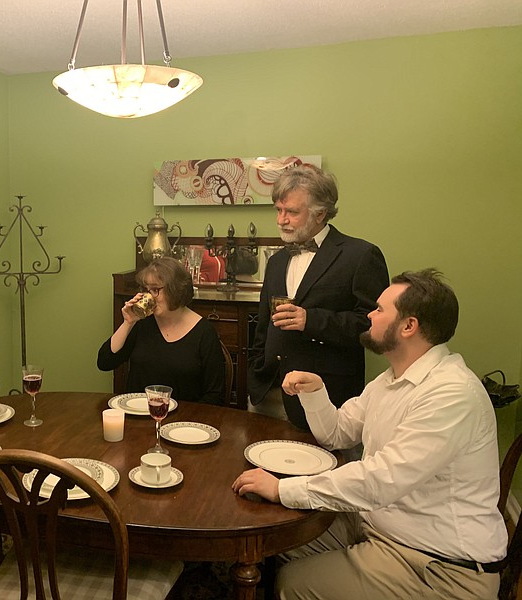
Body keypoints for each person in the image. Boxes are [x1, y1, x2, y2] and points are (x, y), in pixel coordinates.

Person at [233, 269, 507, 600]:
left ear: (409, 326)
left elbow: (381, 479)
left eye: (379, 310)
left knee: (293, 583)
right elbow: (336, 434)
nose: (369, 316)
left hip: (437, 565)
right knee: (281, 542)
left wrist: (282, 488)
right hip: (377, 526)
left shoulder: (451, 394)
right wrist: (315, 392)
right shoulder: (391, 380)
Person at [248, 164, 389, 430]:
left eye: (292, 212)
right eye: (278, 210)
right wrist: (257, 370)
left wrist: (310, 320)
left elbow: (374, 327)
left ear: (320, 213)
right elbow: (264, 326)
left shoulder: (360, 256)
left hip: (327, 395)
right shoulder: (277, 261)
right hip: (268, 391)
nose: (281, 220)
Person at [98, 256, 226, 405]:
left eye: (155, 289)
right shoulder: (142, 323)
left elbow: (215, 395)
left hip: (182, 422)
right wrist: (128, 323)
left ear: (175, 289)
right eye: (146, 290)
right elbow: (104, 362)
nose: (149, 296)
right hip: (138, 415)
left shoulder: (204, 332)